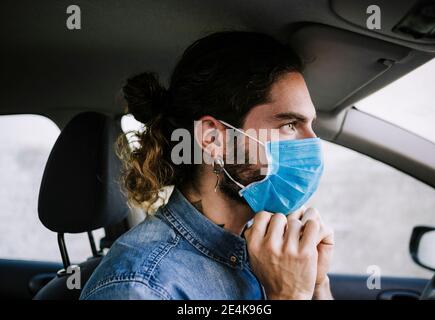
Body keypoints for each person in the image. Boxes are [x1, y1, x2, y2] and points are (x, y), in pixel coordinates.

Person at [80, 31, 334, 300]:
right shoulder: (139, 287)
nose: (313, 143)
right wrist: (288, 295)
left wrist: (316, 285)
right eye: (290, 125)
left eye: (311, 125)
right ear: (213, 139)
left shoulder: (270, 251)